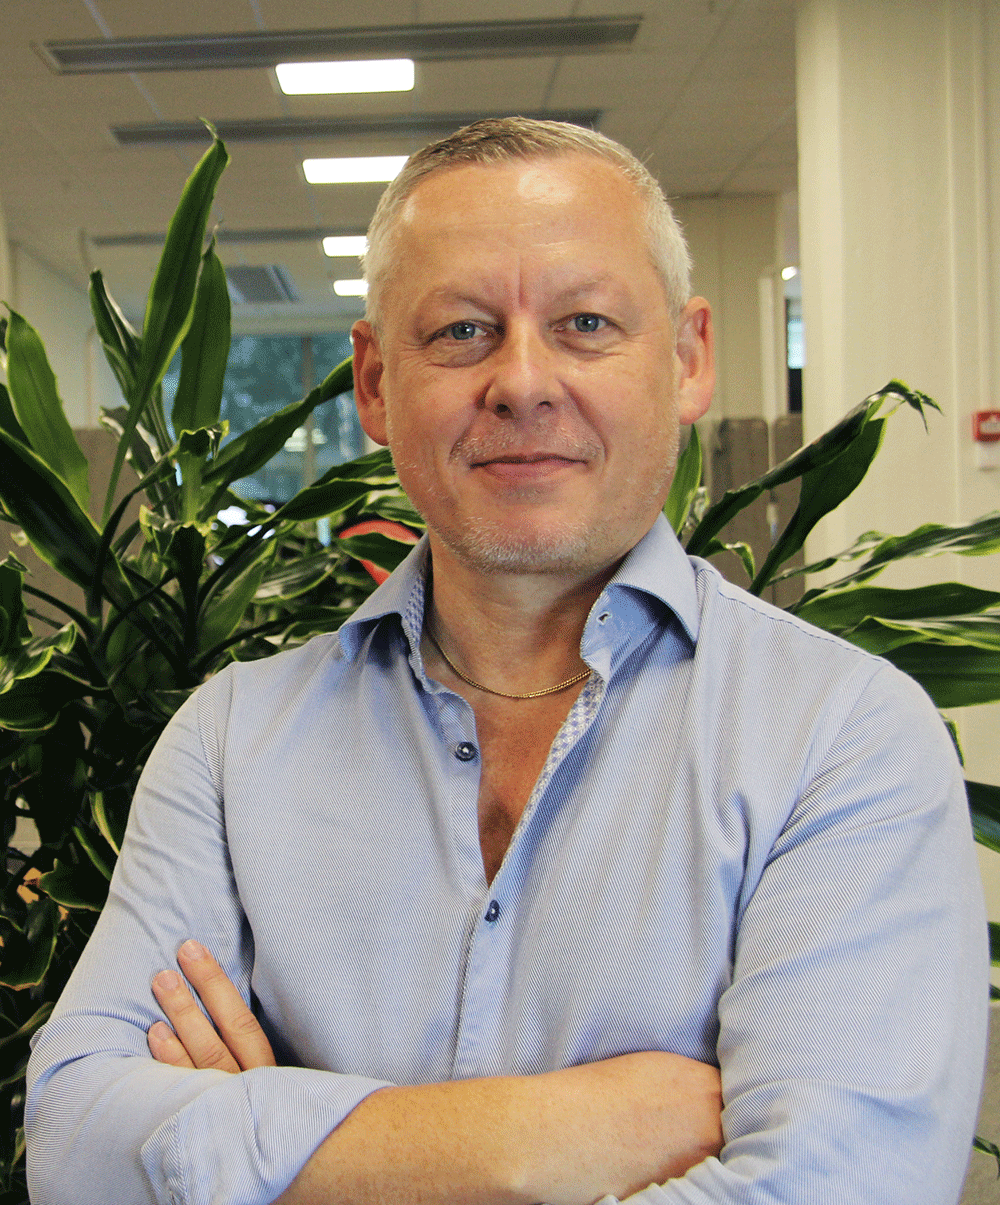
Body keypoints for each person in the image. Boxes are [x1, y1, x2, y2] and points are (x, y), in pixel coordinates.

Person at [26, 118, 988, 1205]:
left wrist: (275, 1152)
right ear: (375, 382)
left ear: (685, 359)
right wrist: (560, 1134)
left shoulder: (842, 737)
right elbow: (75, 1146)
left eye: (585, 323)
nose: (522, 381)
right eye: (462, 331)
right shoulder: (229, 742)